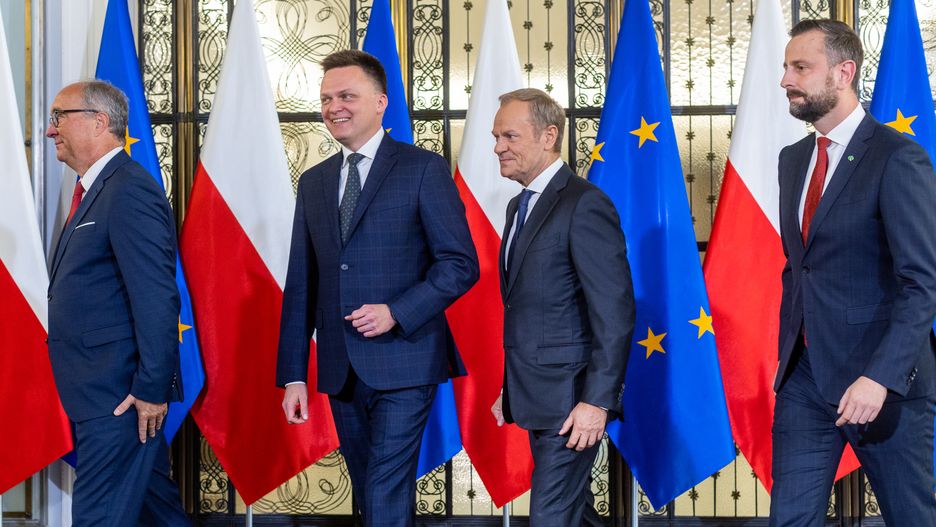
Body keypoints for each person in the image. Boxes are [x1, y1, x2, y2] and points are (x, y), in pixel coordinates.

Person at [276, 50, 479, 526]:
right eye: (326, 98)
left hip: (406, 359)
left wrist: (397, 310)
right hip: (340, 369)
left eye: (346, 95)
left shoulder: (422, 169)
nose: (333, 107)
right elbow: (301, 283)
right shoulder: (314, 182)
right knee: (374, 492)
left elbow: (460, 264)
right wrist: (293, 375)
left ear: (381, 101)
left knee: (384, 489)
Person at [773, 19, 936, 526]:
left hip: (882, 387)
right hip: (803, 380)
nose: (785, 80)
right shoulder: (792, 159)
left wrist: (879, 378)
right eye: (785, 66)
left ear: (844, 73)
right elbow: (802, 269)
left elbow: (922, 283)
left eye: (800, 67)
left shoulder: (897, 158)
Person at [45, 81, 189, 526]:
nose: (51, 131)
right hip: (99, 391)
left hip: (120, 397)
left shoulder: (127, 189)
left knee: (98, 518)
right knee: (156, 513)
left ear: (99, 121)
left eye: (58, 117)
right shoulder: (96, 190)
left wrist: (149, 389)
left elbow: (157, 296)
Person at [489, 88, 634, 525]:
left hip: (573, 403)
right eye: (496, 137)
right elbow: (530, 307)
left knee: (551, 517)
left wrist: (597, 401)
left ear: (549, 135)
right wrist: (509, 388)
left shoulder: (584, 203)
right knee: (575, 513)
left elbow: (614, 311)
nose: (498, 147)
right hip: (536, 395)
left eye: (510, 136)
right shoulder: (519, 205)